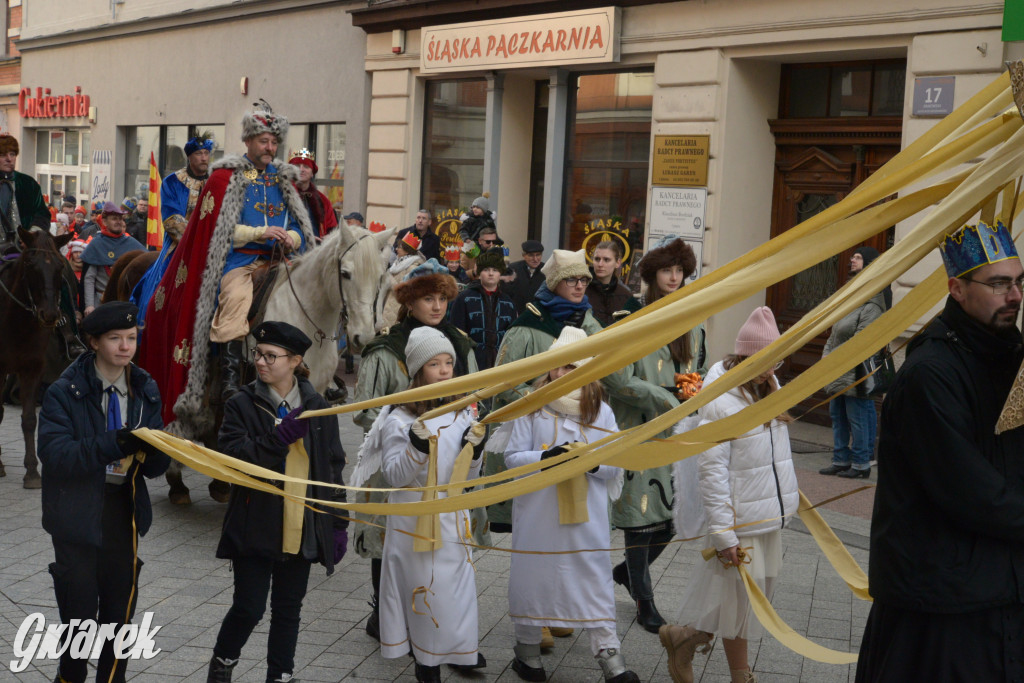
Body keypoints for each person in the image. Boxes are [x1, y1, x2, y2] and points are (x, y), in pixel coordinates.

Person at [854, 220, 1024, 682]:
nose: (1014, 296)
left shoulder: (1010, 355)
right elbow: (971, 491)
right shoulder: (931, 373)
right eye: (999, 284)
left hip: (998, 589)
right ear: (957, 288)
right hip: (940, 605)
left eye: (1018, 282)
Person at [137, 102, 316, 437]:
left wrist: (290, 237)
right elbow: (216, 230)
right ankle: (231, 380)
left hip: (281, 260)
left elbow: (297, 226)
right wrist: (260, 233)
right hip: (241, 261)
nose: (270, 148)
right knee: (235, 299)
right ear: (248, 141)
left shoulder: (282, 180)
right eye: (263, 141)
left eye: (274, 142)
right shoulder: (224, 179)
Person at [659, 306, 798, 683]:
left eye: (775, 360)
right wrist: (723, 535)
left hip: (767, 517)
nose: (771, 368)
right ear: (743, 356)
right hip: (738, 522)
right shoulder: (721, 402)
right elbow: (712, 473)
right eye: (762, 360)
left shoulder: (772, 390)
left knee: (746, 603)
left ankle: (685, 639)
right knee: (735, 601)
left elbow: (775, 459)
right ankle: (736, 672)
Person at [206, 321, 347, 683]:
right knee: (249, 608)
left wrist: (338, 523)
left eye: (271, 356)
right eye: (258, 354)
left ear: (296, 360)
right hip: (254, 525)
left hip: (302, 527)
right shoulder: (241, 403)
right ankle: (223, 664)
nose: (261, 362)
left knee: (288, 609)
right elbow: (233, 459)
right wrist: (279, 438)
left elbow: (332, 468)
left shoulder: (317, 407)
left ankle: (280, 674)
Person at [37, 301, 170, 683]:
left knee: (119, 614)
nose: (126, 347)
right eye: (115, 339)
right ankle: (70, 677)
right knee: (79, 615)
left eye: (131, 338)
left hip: (122, 510)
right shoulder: (65, 391)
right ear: (93, 342)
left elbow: (156, 468)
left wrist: (162, 450)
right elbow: (56, 455)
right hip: (75, 512)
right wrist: (117, 442)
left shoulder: (145, 387)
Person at [349, 261, 479, 642]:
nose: (436, 306)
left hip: (448, 462)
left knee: (446, 544)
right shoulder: (387, 347)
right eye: (427, 298)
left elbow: (473, 396)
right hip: (395, 454)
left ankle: (442, 623)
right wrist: (400, 429)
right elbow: (366, 407)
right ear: (410, 303)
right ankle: (384, 611)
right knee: (387, 537)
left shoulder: (459, 343)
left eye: (442, 298)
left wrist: (466, 434)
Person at [504, 326, 639, 683]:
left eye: (573, 368)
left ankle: (609, 657)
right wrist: (547, 457)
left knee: (593, 579)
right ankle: (528, 652)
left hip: (585, 522)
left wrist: (590, 463)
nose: (563, 375)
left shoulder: (601, 412)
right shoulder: (531, 408)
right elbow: (512, 458)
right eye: (558, 366)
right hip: (538, 516)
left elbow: (615, 462)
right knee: (534, 578)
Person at [377, 326, 486, 682]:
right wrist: (416, 449)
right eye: (434, 364)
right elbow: (395, 476)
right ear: (418, 371)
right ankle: (427, 668)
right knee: (425, 598)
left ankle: (455, 652)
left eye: (448, 363)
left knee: (454, 597)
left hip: (452, 522)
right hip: (415, 527)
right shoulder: (400, 418)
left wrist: (476, 450)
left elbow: (467, 476)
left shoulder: (461, 413)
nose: (443, 370)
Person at [610, 235, 707, 633]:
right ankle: (644, 600)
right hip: (637, 431)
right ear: (651, 276)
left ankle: (626, 573)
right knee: (641, 520)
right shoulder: (630, 320)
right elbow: (618, 379)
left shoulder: (693, 321)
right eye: (666, 270)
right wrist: (664, 396)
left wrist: (693, 392)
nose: (673, 277)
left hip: (676, 433)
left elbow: (695, 369)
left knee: (669, 522)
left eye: (680, 271)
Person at [132, 134, 215, 330]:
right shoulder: (172, 182)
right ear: (189, 157)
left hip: (215, 246)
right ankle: (147, 325)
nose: (204, 158)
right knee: (155, 289)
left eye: (206, 153)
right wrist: (200, 243)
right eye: (198, 154)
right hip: (180, 246)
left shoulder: (216, 181)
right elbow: (172, 221)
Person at [819, 246, 885, 479]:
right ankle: (840, 459)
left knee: (857, 418)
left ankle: (860, 464)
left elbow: (862, 340)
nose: (851, 260)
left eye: (858, 258)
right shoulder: (849, 303)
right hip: (837, 369)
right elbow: (835, 334)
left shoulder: (872, 305)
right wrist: (826, 357)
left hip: (856, 371)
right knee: (837, 415)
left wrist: (835, 359)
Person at [448, 247, 516, 370]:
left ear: (500, 273)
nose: (491, 273)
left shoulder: (508, 302)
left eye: (495, 270)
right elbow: (456, 333)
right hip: (471, 360)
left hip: (499, 362)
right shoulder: (464, 298)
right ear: (479, 273)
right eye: (486, 270)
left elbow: (511, 336)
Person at [81, 202, 145, 315]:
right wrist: (89, 305)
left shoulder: (131, 243)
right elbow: (89, 279)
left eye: (120, 218)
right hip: (101, 302)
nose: (118, 222)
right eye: (114, 219)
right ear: (105, 221)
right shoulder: (96, 244)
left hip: (124, 301)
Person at [0, 133, 51, 251]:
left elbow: (42, 215)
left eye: (12, 154)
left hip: (23, 251)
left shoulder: (28, 184)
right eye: (2, 155)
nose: (9, 159)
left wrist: (32, 236)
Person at [587, 239, 640, 326]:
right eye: (597, 259)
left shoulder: (625, 295)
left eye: (606, 260)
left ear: (617, 263)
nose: (600, 264)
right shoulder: (581, 289)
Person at [381, 232, 426, 328]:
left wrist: (388, 278)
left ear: (407, 251)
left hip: (399, 310)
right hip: (389, 307)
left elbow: (404, 291)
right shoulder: (397, 264)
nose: (396, 249)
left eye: (399, 247)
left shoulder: (412, 268)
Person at [290, 148, 338, 238]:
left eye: (306, 167)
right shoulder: (282, 195)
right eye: (297, 166)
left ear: (312, 173)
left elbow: (332, 230)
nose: (301, 170)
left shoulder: (323, 201)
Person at [502, 240, 545, 315]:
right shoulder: (512, 269)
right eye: (531, 255)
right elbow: (505, 295)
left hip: (539, 317)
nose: (535, 259)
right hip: (515, 315)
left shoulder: (546, 271)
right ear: (524, 255)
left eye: (538, 255)